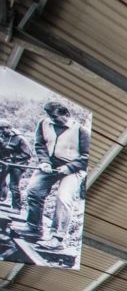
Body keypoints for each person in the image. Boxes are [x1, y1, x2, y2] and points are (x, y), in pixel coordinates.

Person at [11, 102, 90, 246]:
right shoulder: (43, 124)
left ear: (66, 114)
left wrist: (70, 167)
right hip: (50, 165)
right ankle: (34, 228)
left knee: (63, 197)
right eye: (49, 116)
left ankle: (57, 238)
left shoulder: (81, 130)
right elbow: (40, 144)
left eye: (55, 117)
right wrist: (44, 161)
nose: (52, 120)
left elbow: (87, 156)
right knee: (34, 190)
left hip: (73, 168)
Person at [0, 120, 32, 212]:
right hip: (6, 162)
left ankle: (16, 207)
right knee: (1, 180)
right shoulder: (3, 137)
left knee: (13, 185)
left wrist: (12, 158)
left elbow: (27, 154)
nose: (1, 132)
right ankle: (2, 198)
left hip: (19, 164)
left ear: (9, 128)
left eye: (2, 130)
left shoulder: (19, 138)